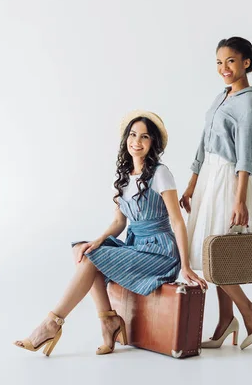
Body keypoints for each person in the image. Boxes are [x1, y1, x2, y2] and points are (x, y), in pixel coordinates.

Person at [14, 110, 207, 357]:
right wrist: (98, 241)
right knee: (83, 250)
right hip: (136, 245)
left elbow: (178, 222)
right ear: (126, 138)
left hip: (160, 251)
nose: (136, 141)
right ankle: (108, 321)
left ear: (153, 143)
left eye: (144, 137)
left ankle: (53, 323)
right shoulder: (125, 176)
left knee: (93, 258)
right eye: (133, 135)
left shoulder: (160, 173)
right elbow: (119, 221)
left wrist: (186, 266)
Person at [179, 37, 252, 350]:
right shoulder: (222, 96)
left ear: (246, 62)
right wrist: (192, 182)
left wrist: (239, 199)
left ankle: (248, 310)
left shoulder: (248, 104)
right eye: (219, 62)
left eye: (230, 61)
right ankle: (225, 320)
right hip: (209, 178)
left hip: (229, 181)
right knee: (210, 253)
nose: (224, 68)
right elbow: (202, 142)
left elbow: (246, 156)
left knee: (216, 256)